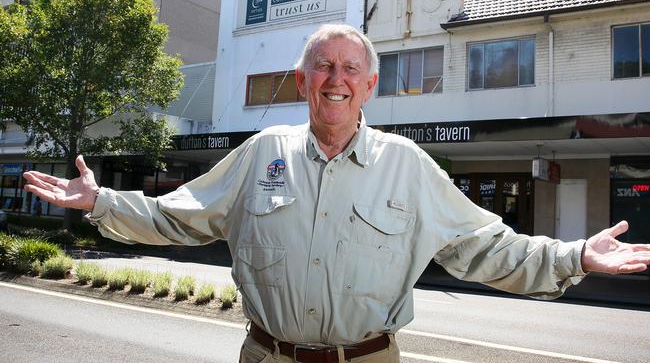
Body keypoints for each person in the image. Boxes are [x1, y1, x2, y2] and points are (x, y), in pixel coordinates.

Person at [23, 24, 650, 362]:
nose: (336, 79)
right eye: (323, 66)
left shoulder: (408, 166)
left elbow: (490, 249)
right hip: (267, 359)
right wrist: (99, 201)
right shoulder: (261, 154)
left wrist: (576, 258)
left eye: (351, 68)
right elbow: (174, 217)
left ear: (371, 84)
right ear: (302, 81)